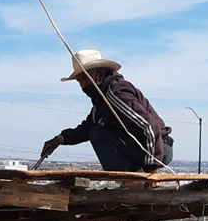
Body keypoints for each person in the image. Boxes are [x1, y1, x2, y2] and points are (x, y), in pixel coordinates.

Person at [41, 49, 173, 172]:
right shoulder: (102, 102)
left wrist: (151, 167)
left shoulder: (116, 95)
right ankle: (132, 179)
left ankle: (133, 180)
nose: (82, 85)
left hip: (157, 148)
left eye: (85, 78)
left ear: (99, 73)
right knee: (95, 131)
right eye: (79, 80)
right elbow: (87, 128)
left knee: (98, 133)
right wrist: (59, 139)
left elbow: (148, 127)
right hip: (148, 148)